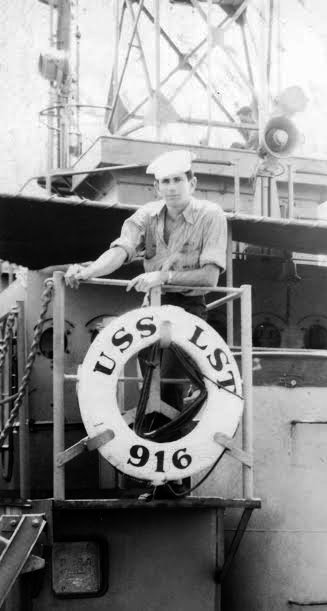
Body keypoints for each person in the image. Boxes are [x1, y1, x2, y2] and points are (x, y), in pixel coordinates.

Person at [65, 149, 228, 497]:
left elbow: (210, 277)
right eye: (164, 181)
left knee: (168, 389)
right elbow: (121, 250)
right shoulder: (146, 216)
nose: (171, 187)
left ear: (192, 182)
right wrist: (90, 271)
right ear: (156, 187)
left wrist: (163, 277)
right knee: (150, 389)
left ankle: (172, 483)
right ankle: (158, 478)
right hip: (151, 312)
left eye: (178, 180)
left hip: (188, 310)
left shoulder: (211, 215)